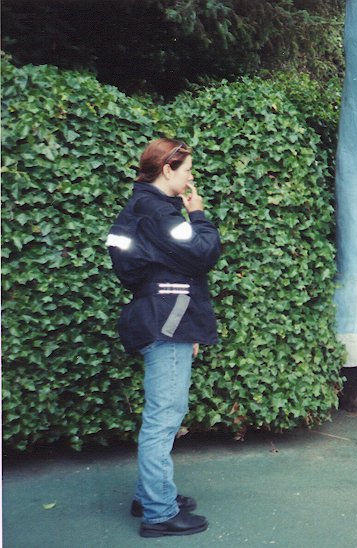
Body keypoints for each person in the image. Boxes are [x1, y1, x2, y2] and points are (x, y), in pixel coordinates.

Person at [106, 138, 221, 538]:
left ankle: (148, 494)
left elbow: (133, 266)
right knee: (163, 418)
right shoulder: (160, 213)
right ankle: (158, 513)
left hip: (159, 316)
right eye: (187, 168)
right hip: (167, 320)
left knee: (162, 416)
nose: (191, 176)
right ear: (168, 169)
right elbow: (203, 252)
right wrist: (199, 215)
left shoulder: (140, 207)